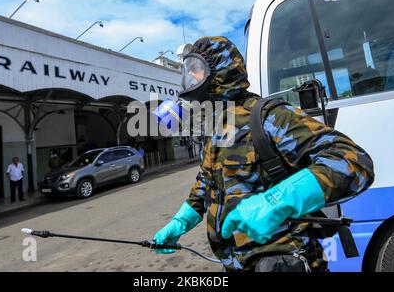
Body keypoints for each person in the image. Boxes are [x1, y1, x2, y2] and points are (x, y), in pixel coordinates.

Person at [152, 36, 375, 272]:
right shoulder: (215, 127)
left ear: (220, 71)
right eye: (188, 71)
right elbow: (207, 181)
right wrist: (181, 221)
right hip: (236, 263)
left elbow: (352, 160)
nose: (190, 78)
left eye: (195, 69)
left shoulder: (268, 117)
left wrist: (275, 201)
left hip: (282, 262)